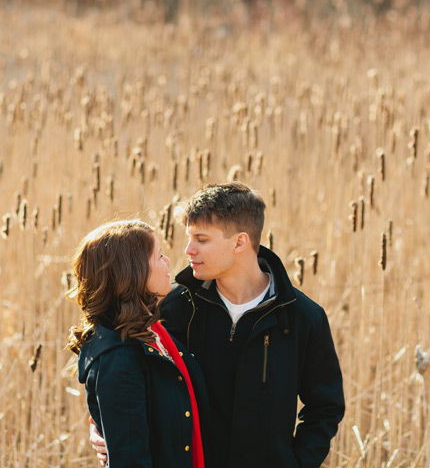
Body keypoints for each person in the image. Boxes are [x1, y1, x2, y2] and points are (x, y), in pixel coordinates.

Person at [93, 183, 345, 468]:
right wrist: (102, 428)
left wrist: (296, 463)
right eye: (189, 237)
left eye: (201, 239)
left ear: (239, 243)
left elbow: (324, 407)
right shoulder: (172, 309)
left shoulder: (302, 318)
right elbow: (117, 370)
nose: (188, 250)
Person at [67, 219, 212, 468]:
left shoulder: (152, 329)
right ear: (132, 272)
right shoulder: (120, 359)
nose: (168, 262)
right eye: (159, 257)